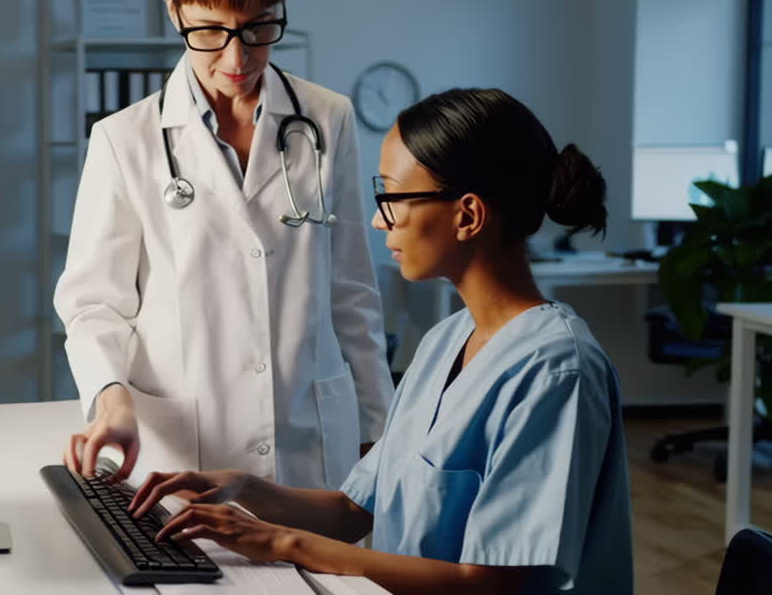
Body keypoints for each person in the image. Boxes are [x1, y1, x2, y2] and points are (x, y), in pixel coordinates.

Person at [127, 88, 634, 593]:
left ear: (468, 215)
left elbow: (489, 583)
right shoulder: (444, 342)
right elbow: (353, 510)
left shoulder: (557, 370)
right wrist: (243, 487)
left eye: (391, 197)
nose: (377, 219)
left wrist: (284, 543)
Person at [55, 0, 394, 490]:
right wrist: (111, 399)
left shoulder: (327, 119)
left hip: (309, 442)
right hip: (183, 447)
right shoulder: (123, 140)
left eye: (260, 26)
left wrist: (378, 423)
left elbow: (351, 291)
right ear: (174, 11)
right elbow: (93, 303)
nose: (238, 58)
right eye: (211, 30)